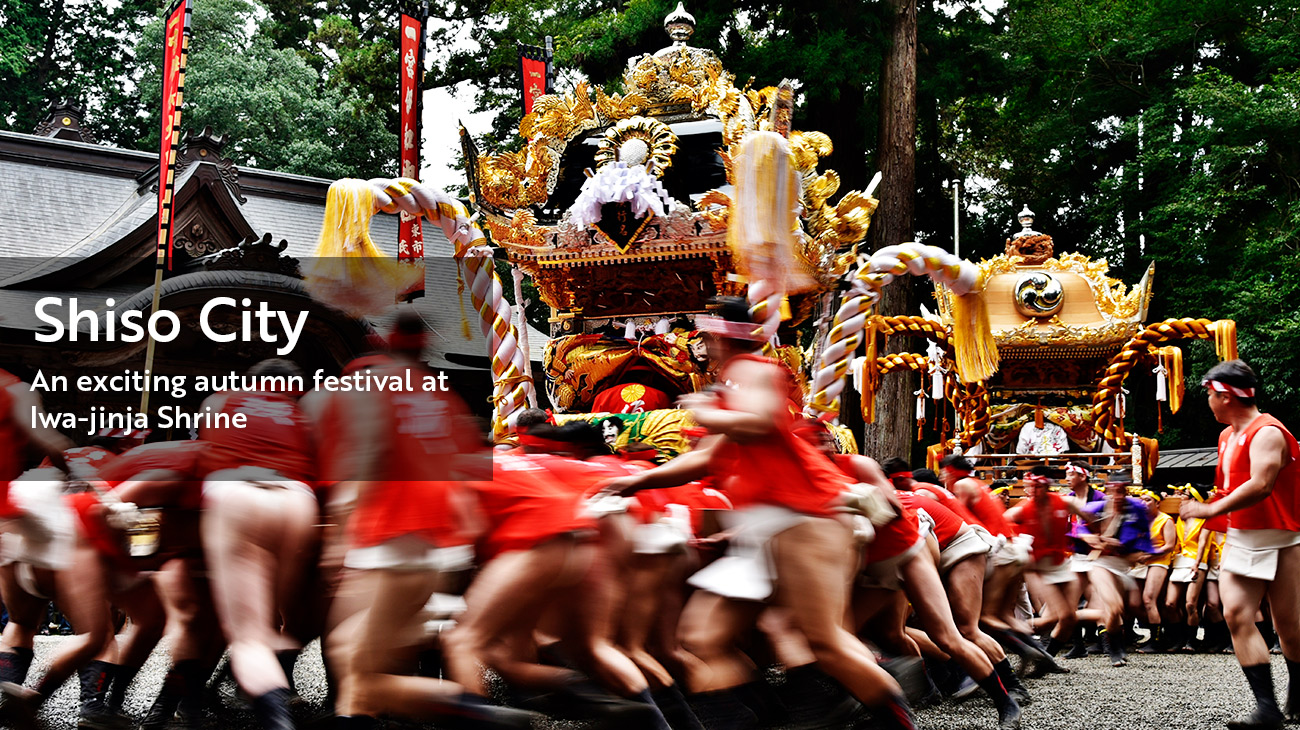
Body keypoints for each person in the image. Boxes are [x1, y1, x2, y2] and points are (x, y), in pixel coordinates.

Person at [601, 298, 919, 730]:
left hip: (802, 518)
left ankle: (891, 716)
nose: (701, 344)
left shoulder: (750, 370)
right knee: (702, 637)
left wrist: (705, 410)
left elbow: (760, 421)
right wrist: (634, 482)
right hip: (762, 527)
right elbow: (705, 459)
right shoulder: (730, 382)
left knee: (824, 640)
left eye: (705, 335)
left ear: (718, 336)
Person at [196, 358, 322, 730]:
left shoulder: (220, 402)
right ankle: (264, 678)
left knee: (250, 636)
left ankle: (272, 712)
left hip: (239, 494)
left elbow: (202, 450)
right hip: (298, 500)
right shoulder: (302, 414)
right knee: (275, 620)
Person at [1179, 361, 1300, 730]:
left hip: (1283, 537)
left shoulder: (1268, 432)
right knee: (1235, 614)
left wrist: (1209, 508)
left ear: (1225, 396)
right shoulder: (1227, 435)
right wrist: (1212, 520)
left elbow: (1260, 484)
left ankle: (1298, 691)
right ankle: (1267, 708)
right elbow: (1230, 488)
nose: (1209, 403)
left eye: (1211, 396)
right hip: (1242, 535)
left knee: (1290, 628)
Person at [1075, 474, 1154, 667]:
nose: (1118, 495)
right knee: (1114, 605)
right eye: (1114, 491)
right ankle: (1115, 651)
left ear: (1126, 490)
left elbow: (1145, 536)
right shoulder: (1099, 507)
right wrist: (1091, 538)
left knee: (1114, 611)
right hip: (1100, 562)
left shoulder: (1135, 508)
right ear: (1108, 490)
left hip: (1121, 564)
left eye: (1122, 491)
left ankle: (1068, 619)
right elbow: (1079, 528)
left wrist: (1134, 550)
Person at [1131, 488, 1177, 653]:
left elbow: (1169, 545)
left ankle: (1156, 640)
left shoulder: (1166, 520)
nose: (1144, 503)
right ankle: (1157, 631)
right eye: (1142, 500)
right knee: (1134, 603)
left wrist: (1150, 555)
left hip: (1158, 559)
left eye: (1148, 500)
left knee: (1149, 598)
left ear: (1157, 502)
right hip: (1140, 561)